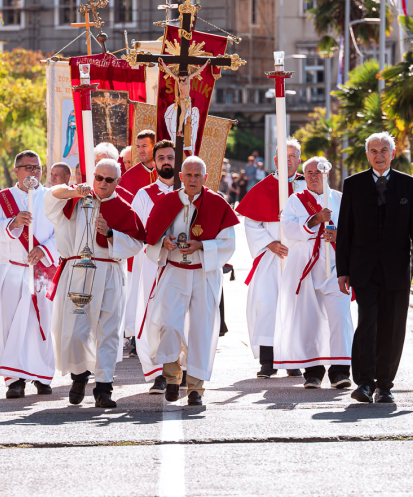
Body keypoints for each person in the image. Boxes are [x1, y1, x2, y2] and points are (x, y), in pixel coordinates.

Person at [335, 132, 413, 405]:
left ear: (393, 153)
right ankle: (364, 382)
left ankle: (385, 385)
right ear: (367, 155)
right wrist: (343, 271)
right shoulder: (353, 185)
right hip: (363, 270)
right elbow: (346, 233)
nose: (379, 155)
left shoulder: (408, 185)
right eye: (373, 150)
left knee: (393, 327)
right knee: (367, 324)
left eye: (383, 150)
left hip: (398, 271)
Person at [45, 158, 145, 409]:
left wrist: (111, 233)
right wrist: (73, 191)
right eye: (98, 177)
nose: (102, 183)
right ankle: (79, 376)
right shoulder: (77, 199)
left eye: (109, 179)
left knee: (108, 332)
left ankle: (103, 388)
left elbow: (136, 243)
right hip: (78, 270)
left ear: (117, 182)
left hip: (108, 270)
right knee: (76, 330)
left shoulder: (123, 208)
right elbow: (50, 196)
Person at [140, 156, 238, 406]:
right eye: (188, 175)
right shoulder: (167, 202)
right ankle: (172, 377)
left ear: (205, 178)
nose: (193, 179)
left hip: (205, 274)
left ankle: (196, 388)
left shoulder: (218, 203)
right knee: (169, 324)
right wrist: (165, 242)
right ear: (180, 177)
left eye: (198, 175)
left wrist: (202, 245)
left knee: (201, 330)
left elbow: (229, 243)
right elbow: (152, 236)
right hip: (175, 271)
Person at [0, 151, 59, 399]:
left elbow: (63, 232)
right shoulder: (2, 199)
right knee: (10, 323)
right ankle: (15, 380)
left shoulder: (50, 197)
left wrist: (44, 249)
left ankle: (42, 375)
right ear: (16, 171)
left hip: (41, 269)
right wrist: (13, 223)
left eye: (37, 168)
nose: (33, 172)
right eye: (27, 168)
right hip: (12, 270)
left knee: (40, 322)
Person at [274, 157, 355, 389]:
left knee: (340, 317)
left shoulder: (340, 199)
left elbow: (355, 228)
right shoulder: (295, 200)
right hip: (305, 267)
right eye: (308, 172)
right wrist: (315, 220)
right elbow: (288, 228)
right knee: (308, 319)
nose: (313, 176)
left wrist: (339, 235)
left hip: (335, 268)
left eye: (317, 171)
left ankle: (340, 371)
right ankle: (313, 371)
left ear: (326, 173)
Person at [236, 138, 306, 378]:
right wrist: (270, 243)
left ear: (299, 160)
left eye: (293, 156)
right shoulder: (263, 186)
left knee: (296, 307)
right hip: (270, 257)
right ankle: (268, 361)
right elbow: (252, 222)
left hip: (300, 258)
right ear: (275, 160)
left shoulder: (307, 186)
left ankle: (294, 358)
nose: (288, 161)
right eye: (283, 157)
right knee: (267, 305)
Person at [128, 139, 178, 393]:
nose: (166, 161)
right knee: (155, 316)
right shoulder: (144, 195)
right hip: (155, 264)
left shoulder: (191, 191)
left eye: (170, 157)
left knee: (184, 317)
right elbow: (137, 232)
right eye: (161, 158)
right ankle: (158, 371)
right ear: (154, 163)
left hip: (185, 264)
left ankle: (182, 368)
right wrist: (159, 242)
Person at [117, 129, 158, 352]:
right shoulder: (130, 177)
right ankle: (134, 334)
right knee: (136, 290)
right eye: (138, 146)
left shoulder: (167, 173)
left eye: (145, 146)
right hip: (138, 246)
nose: (141, 150)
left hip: (163, 245)